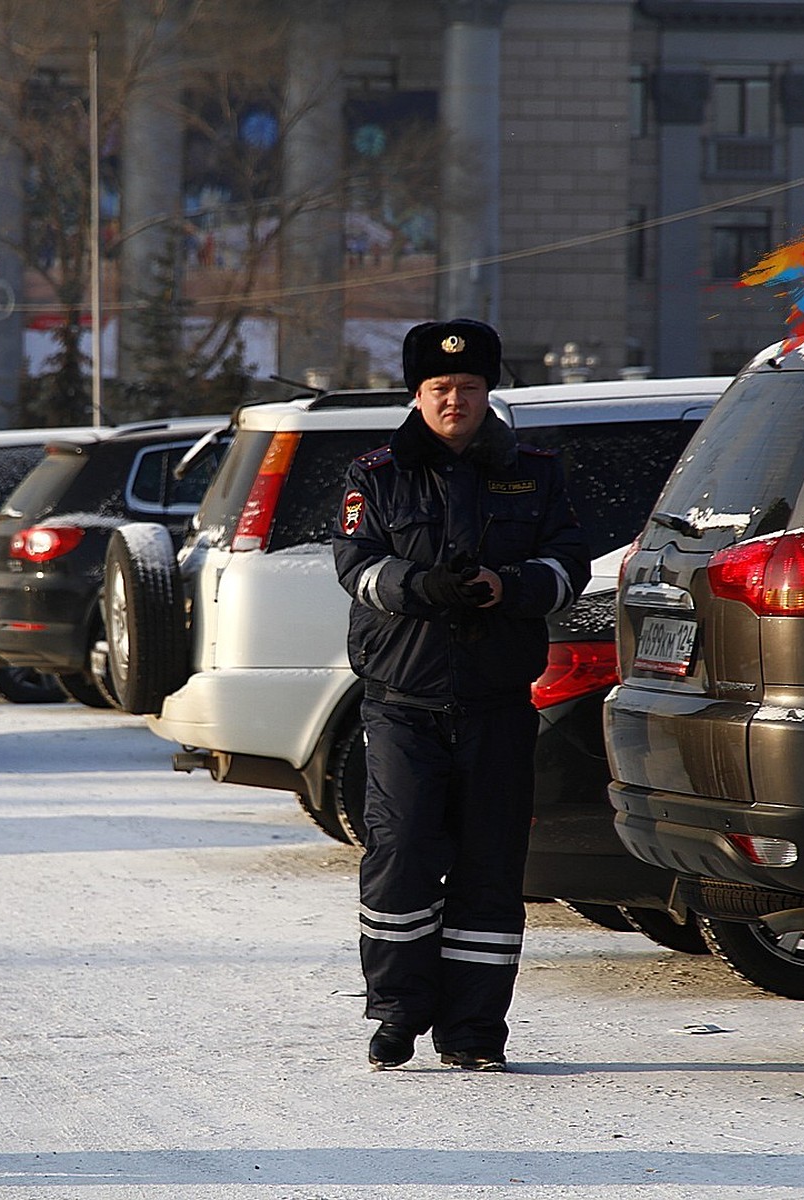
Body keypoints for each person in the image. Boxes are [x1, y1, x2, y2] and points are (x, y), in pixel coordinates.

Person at [332, 318, 590, 1073]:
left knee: (490, 866)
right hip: (402, 702)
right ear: (418, 394)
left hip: (497, 704)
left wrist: (508, 586)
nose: (455, 401)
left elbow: (569, 562)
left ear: (488, 392)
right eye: (441, 388)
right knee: (401, 855)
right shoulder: (372, 475)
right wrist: (422, 585)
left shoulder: (537, 471)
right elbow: (355, 564)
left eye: (469, 387)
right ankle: (396, 1016)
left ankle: (474, 1032)